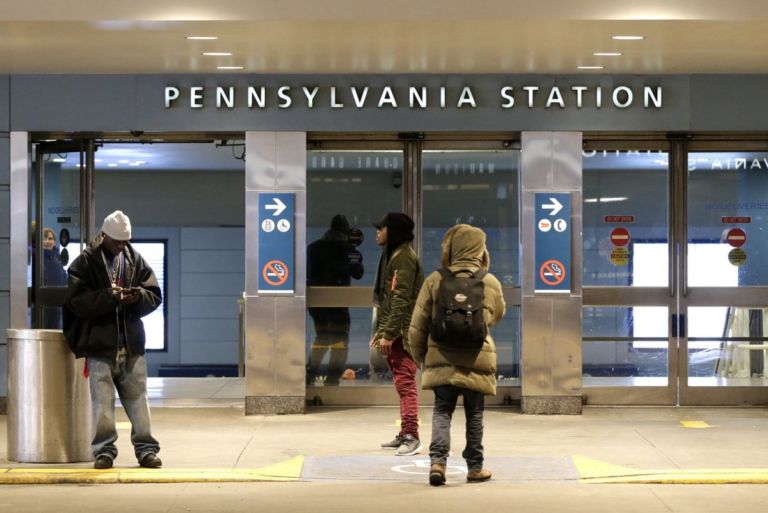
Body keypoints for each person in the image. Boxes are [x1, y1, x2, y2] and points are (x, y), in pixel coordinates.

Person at [62, 211, 163, 470]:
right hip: (99, 347)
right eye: (117, 241)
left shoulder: (134, 259)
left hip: (131, 345)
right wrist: (110, 296)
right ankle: (104, 452)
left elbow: (154, 294)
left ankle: (146, 450)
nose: (122, 246)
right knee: (102, 405)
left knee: (139, 401)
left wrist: (137, 297)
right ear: (104, 236)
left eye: (125, 241)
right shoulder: (84, 263)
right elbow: (76, 302)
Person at [407, 224, 506, 486]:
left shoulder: (435, 279)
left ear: (451, 249)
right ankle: (475, 468)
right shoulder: (489, 281)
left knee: (442, 411)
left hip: (442, 356)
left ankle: (438, 463)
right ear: (481, 250)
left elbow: (418, 323)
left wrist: (421, 356)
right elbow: (496, 315)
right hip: (477, 356)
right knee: (475, 415)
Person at [370, 212, 424, 456]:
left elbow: (401, 299)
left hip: (404, 331)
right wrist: (382, 331)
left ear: (393, 231)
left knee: (405, 383)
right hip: (398, 330)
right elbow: (389, 299)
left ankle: (412, 435)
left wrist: (389, 333)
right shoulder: (393, 255)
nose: (377, 232)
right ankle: (405, 433)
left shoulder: (403, 257)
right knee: (402, 383)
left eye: (381, 228)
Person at [306, 214, 364, 386]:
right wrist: (353, 250)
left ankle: (310, 375)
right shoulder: (347, 249)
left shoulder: (313, 247)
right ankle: (332, 378)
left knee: (321, 338)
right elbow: (358, 273)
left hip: (317, 303)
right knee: (340, 340)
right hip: (339, 303)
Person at [41, 228, 67, 329]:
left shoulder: (57, 258)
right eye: (44, 238)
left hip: (57, 304)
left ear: (55, 241)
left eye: (50, 238)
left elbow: (63, 278)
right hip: (43, 303)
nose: (47, 241)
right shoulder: (38, 258)